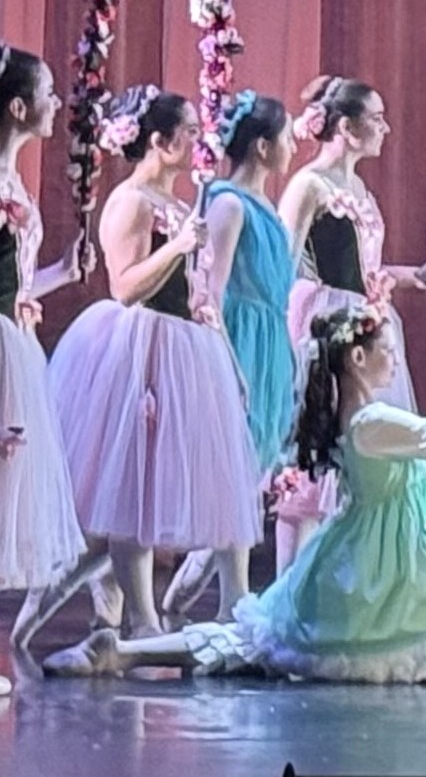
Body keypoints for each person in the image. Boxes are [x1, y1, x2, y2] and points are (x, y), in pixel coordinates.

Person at [41, 305, 426, 683]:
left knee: (255, 644)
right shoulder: (373, 422)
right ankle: (122, 651)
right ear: (357, 359)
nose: (395, 357)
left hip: (393, 559)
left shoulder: (363, 417)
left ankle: (124, 652)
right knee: (255, 644)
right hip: (373, 571)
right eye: (387, 347)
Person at [23, 88, 262, 638]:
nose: (199, 140)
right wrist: (176, 247)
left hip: (191, 347)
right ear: (159, 140)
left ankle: (218, 605)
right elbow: (125, 287)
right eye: (190, 131)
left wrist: (229, 361)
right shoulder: (131, 202)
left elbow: (200, 294)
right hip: (140, 347)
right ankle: (141, 616)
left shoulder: (177, 205)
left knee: (176, 482)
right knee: (133, 486)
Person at [161, 91, 301, 621]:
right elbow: (211, 294)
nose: (293, 147)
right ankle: (232, 602)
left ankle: (211, 591)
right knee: (234, 473)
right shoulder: (229, 204)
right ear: (263, 146)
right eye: (286, 138)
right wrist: (228, 364)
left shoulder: (265, 208)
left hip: (268, 344)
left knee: (251, 473)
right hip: (240, 342)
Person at [280, 76, 426, 411]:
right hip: (328, 317)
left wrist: (416, 276)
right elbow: (283, 263)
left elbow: (362, 269)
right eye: (376, 118)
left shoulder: (358, 187)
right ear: (346, 126)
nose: (385, 128)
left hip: (366, 318)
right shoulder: (310, 185)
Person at [0, 47, 81, 688]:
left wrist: (60, 273)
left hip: (16, 343)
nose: (56, 104)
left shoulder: (13, 180)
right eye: (48, 93)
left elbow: (14, 283)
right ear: (19, 106)